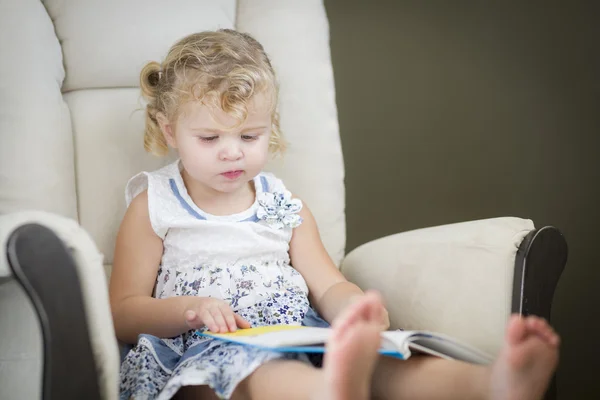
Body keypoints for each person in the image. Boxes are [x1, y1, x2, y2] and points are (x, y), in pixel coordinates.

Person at [109, 29, 560, 400]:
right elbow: (124, 311)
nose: (232, 153)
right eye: (209, 138)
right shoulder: (156, 203)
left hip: (298, 335)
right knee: (257, 376)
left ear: (272, 127)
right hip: (205, 351)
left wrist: (354, 310)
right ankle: (330, 391)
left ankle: (491, 383)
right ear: (170, 131)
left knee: (388, 363)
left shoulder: (283, 205)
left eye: (250, 136)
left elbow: (327, 283)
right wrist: (191, 310)